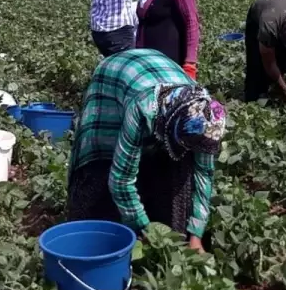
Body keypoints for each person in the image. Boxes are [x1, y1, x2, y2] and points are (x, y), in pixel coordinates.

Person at [67, 49, 226, 251]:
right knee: (104, 162)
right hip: (116, 75)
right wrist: (145, 229)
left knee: (174, 164)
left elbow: (204, 173)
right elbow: (121, 180)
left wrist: (196, 235)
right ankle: (98, 225)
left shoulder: (206, 117)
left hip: (155, 71)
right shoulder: (142, 108)